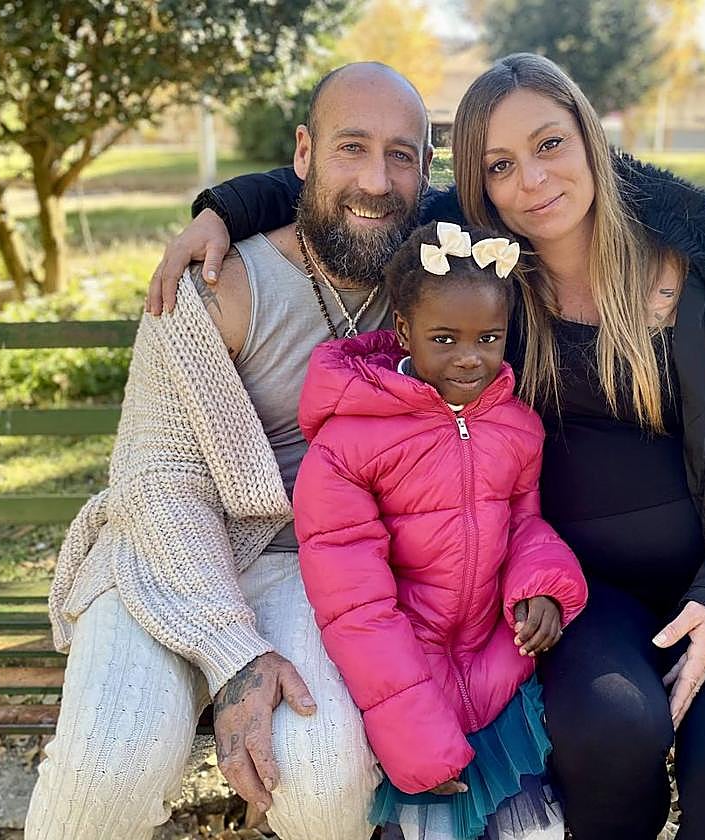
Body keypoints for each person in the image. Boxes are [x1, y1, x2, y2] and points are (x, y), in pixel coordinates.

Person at [151, 54, 705, 839]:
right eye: (501, 166)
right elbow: (360, 188)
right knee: (609, 730)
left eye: (550, 145)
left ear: (590, 141)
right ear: (480, 189)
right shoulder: (491, 274)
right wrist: (221, 208)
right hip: (584, 590)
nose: (533, 182)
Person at [27, 62, 436, 840]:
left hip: (317, 562)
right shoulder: (215, 284)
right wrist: (233, 652)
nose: (377, 180)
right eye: (351, 147)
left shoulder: (434, 282)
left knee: (323, 783)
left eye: (401, 155)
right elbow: (156, 479)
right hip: (160, 548)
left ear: (424, 172)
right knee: (108, 763)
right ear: (304, 155)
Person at [294, 220, 589, 840]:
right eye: (445, 338)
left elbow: (526, 524)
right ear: (403, 331)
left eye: (489, 338)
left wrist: (541, 585)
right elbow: (355, 604)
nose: (469, 357)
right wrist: (413, 733)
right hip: (403, 684)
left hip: (496, 666)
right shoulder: (349, 443)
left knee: (532, 831)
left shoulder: (516, 424)